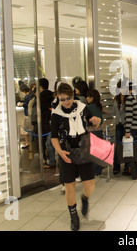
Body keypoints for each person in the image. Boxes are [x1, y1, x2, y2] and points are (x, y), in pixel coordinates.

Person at [50, 83, 101, 231]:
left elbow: (93, 120)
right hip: (66, 152)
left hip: (84, 149)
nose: (66, 102)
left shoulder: (82, 108)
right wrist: (59, 151)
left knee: (90, 184)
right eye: (63, 99)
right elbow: (54, 137)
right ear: (58, 98)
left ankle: (85, 199)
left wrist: (96, 120)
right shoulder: (56, 114)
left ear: (73, 95)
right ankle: (73, 215)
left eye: (69, 98)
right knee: (70, 186)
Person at [124, 82, 137, 180]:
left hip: (131, 129)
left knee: (131, 152)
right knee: (134, 150)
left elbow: (129, 116)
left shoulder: (129, 99)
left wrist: (127, 130)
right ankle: (136, 170)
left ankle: (134, 172)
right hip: (136, 127)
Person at [86, 89, 104, 175]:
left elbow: (87, 122)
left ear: (92, 98)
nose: (86, 98)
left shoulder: (88, 108)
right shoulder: (99, 106)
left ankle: (94, 171)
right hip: (99, 131)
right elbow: (102, 120)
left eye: (88, 97)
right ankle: (98, 170)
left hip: (91, 132)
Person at [113, 80, 127, 176]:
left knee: (127, 146)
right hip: (118, 124)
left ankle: (127, 166)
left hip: (126, 125)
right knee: (118, 146)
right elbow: (115, 112)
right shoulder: (115, 99)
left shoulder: (129, 98)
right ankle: (116, 166)